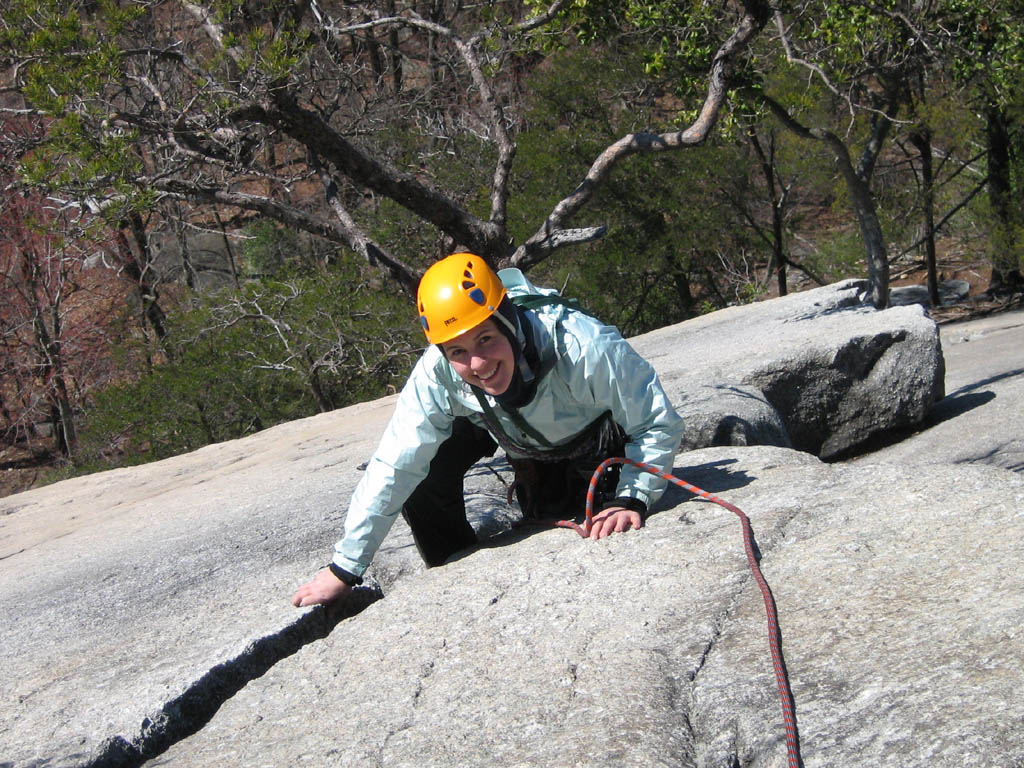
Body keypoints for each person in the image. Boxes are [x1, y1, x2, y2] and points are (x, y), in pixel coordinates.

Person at [292, 253, 683, 607]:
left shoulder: (581, 346)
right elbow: (397, 462)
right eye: (457, 351)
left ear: (509, 320)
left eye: (485, 339)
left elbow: (654, 420)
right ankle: (454, 566)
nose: (477, 363)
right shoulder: (438, 372)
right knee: (424, 465)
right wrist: (345, 567)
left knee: (577, 510)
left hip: (595, 444)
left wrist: (633, 496)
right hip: (515, 435)